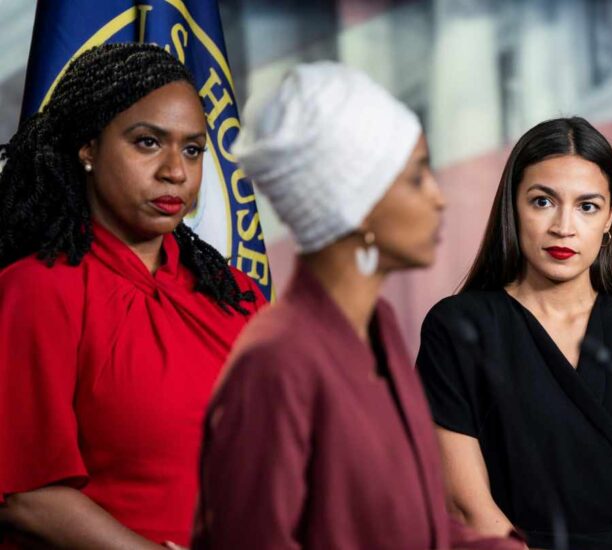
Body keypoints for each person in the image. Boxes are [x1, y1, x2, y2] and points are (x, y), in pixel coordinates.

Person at [191, 62, 523, 550]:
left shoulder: (380, 327)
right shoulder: (277, 362)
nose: (438, 198)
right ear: (356, 204)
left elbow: (412, 530)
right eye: (415, 178)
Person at [0, 43, 264, 549]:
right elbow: (25, 494)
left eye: (192, 149)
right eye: (148, 143)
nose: (175, 171)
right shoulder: (35, 293)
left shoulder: (239, 297)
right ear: (88, 148)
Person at [416, 117, 612, 550]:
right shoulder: (459, 328)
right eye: (542, 202)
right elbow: (467, 506)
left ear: (611, 215)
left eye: (587, 206)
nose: (564, 226)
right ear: (512, 206)